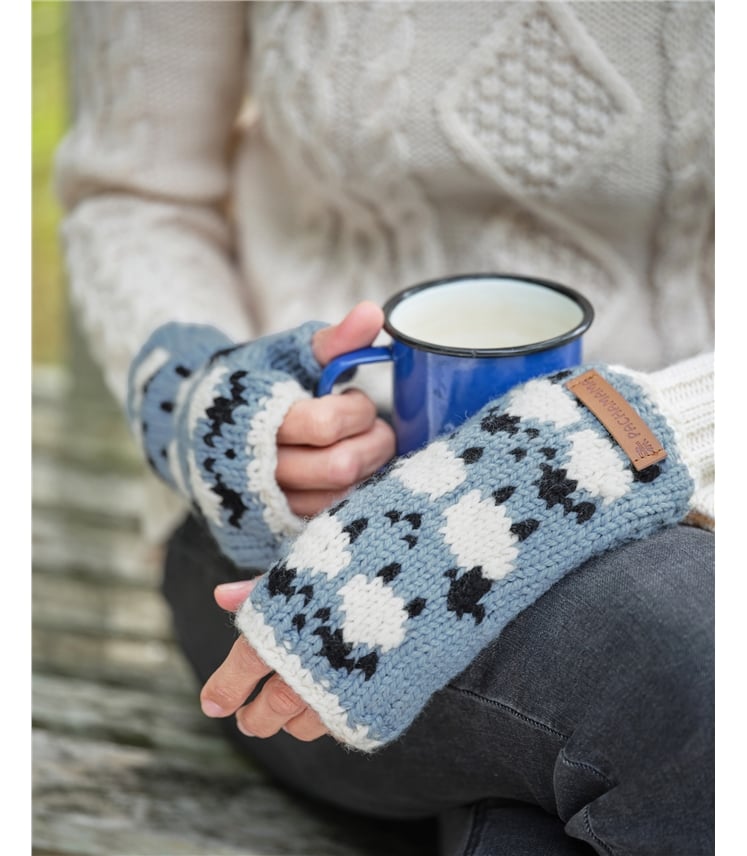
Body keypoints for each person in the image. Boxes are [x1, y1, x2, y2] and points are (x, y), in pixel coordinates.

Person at [54, 2, 714, 854]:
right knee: (697, 658)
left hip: (706, 493)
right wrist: (202, 403)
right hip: (299, 539)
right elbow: (134, 196)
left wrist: (625, 435)